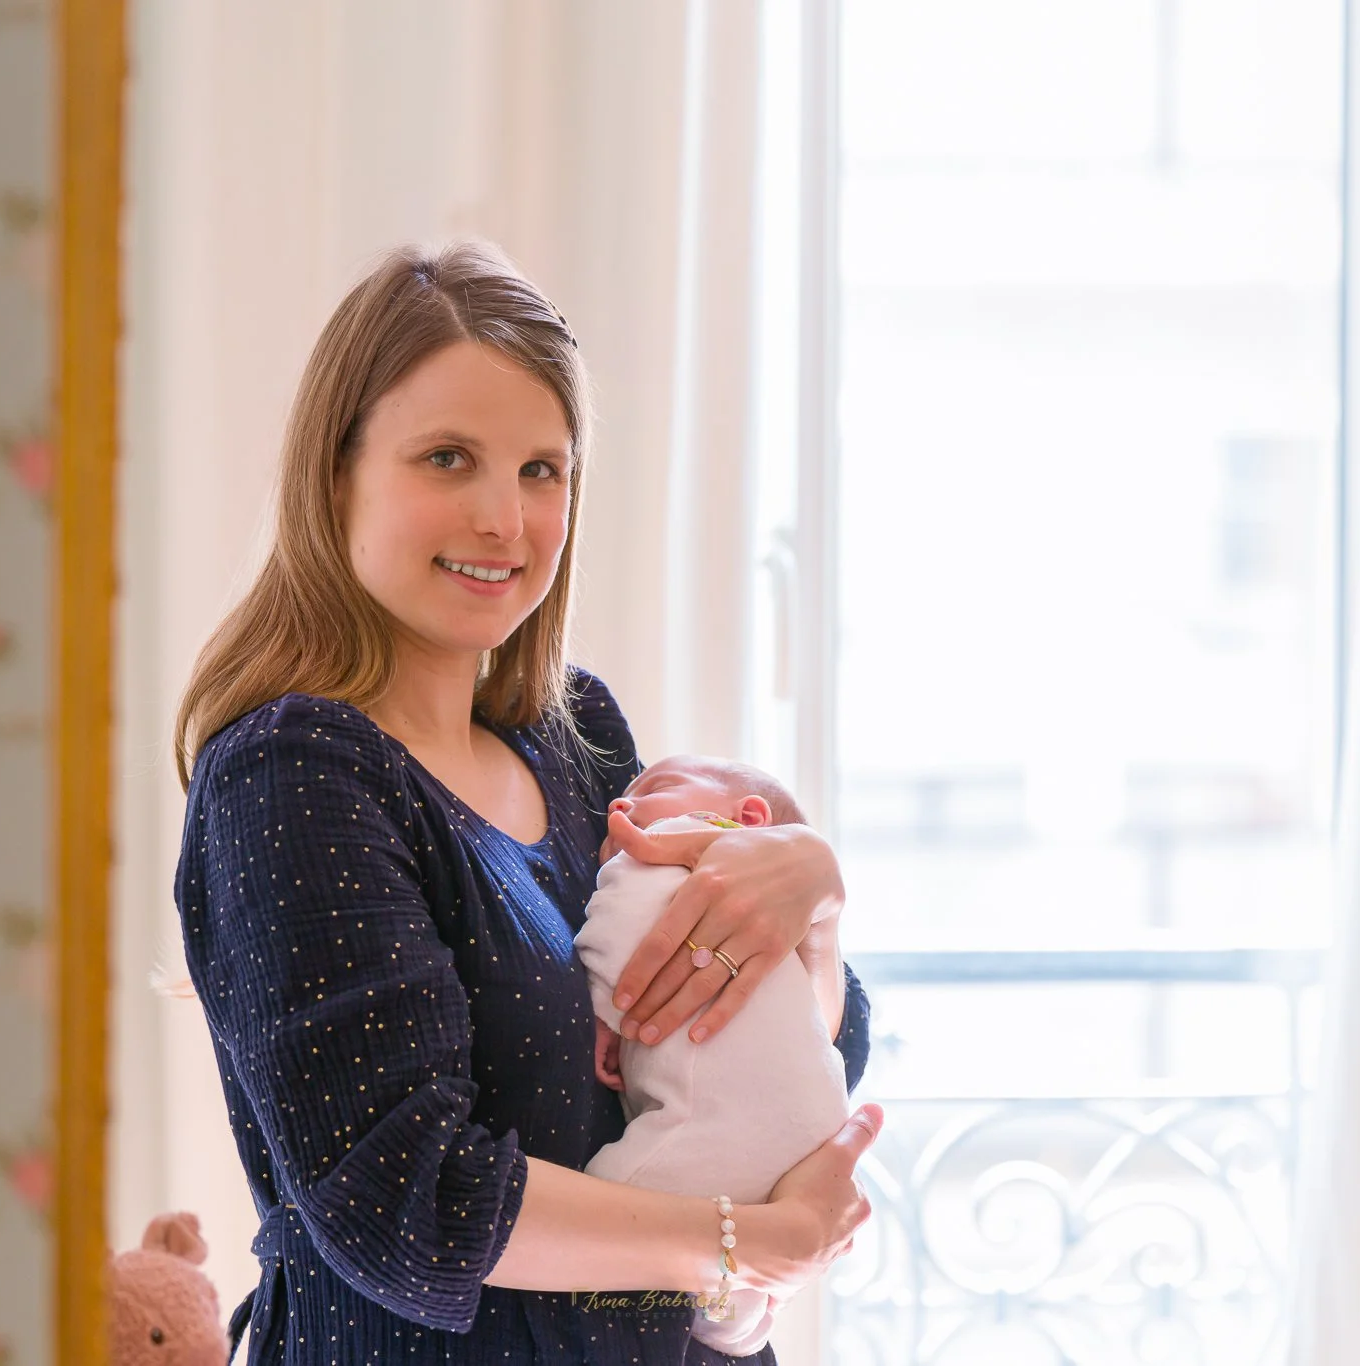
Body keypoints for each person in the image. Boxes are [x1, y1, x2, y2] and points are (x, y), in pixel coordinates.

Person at [170, 239, 882, 1365]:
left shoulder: (574, 733)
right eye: (447, 459)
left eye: (541, 470)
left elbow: (770, 1060)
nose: (505, 519)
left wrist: (814, 905)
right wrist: (742, 1244)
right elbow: (406, 1198)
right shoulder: (295, 773)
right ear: (337, 474)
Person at [575, 756, 855, 1357]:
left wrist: (604, 1012)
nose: (619, 806)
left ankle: (736, 1313)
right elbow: (829, 1029)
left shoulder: (670, 847)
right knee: (740, 1251)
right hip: (817, 1127)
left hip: (715, 1124)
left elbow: (618, 926)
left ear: (747, 818)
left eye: (657, 788)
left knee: (604, 1200)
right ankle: (743, 1314)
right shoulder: (769, 899)